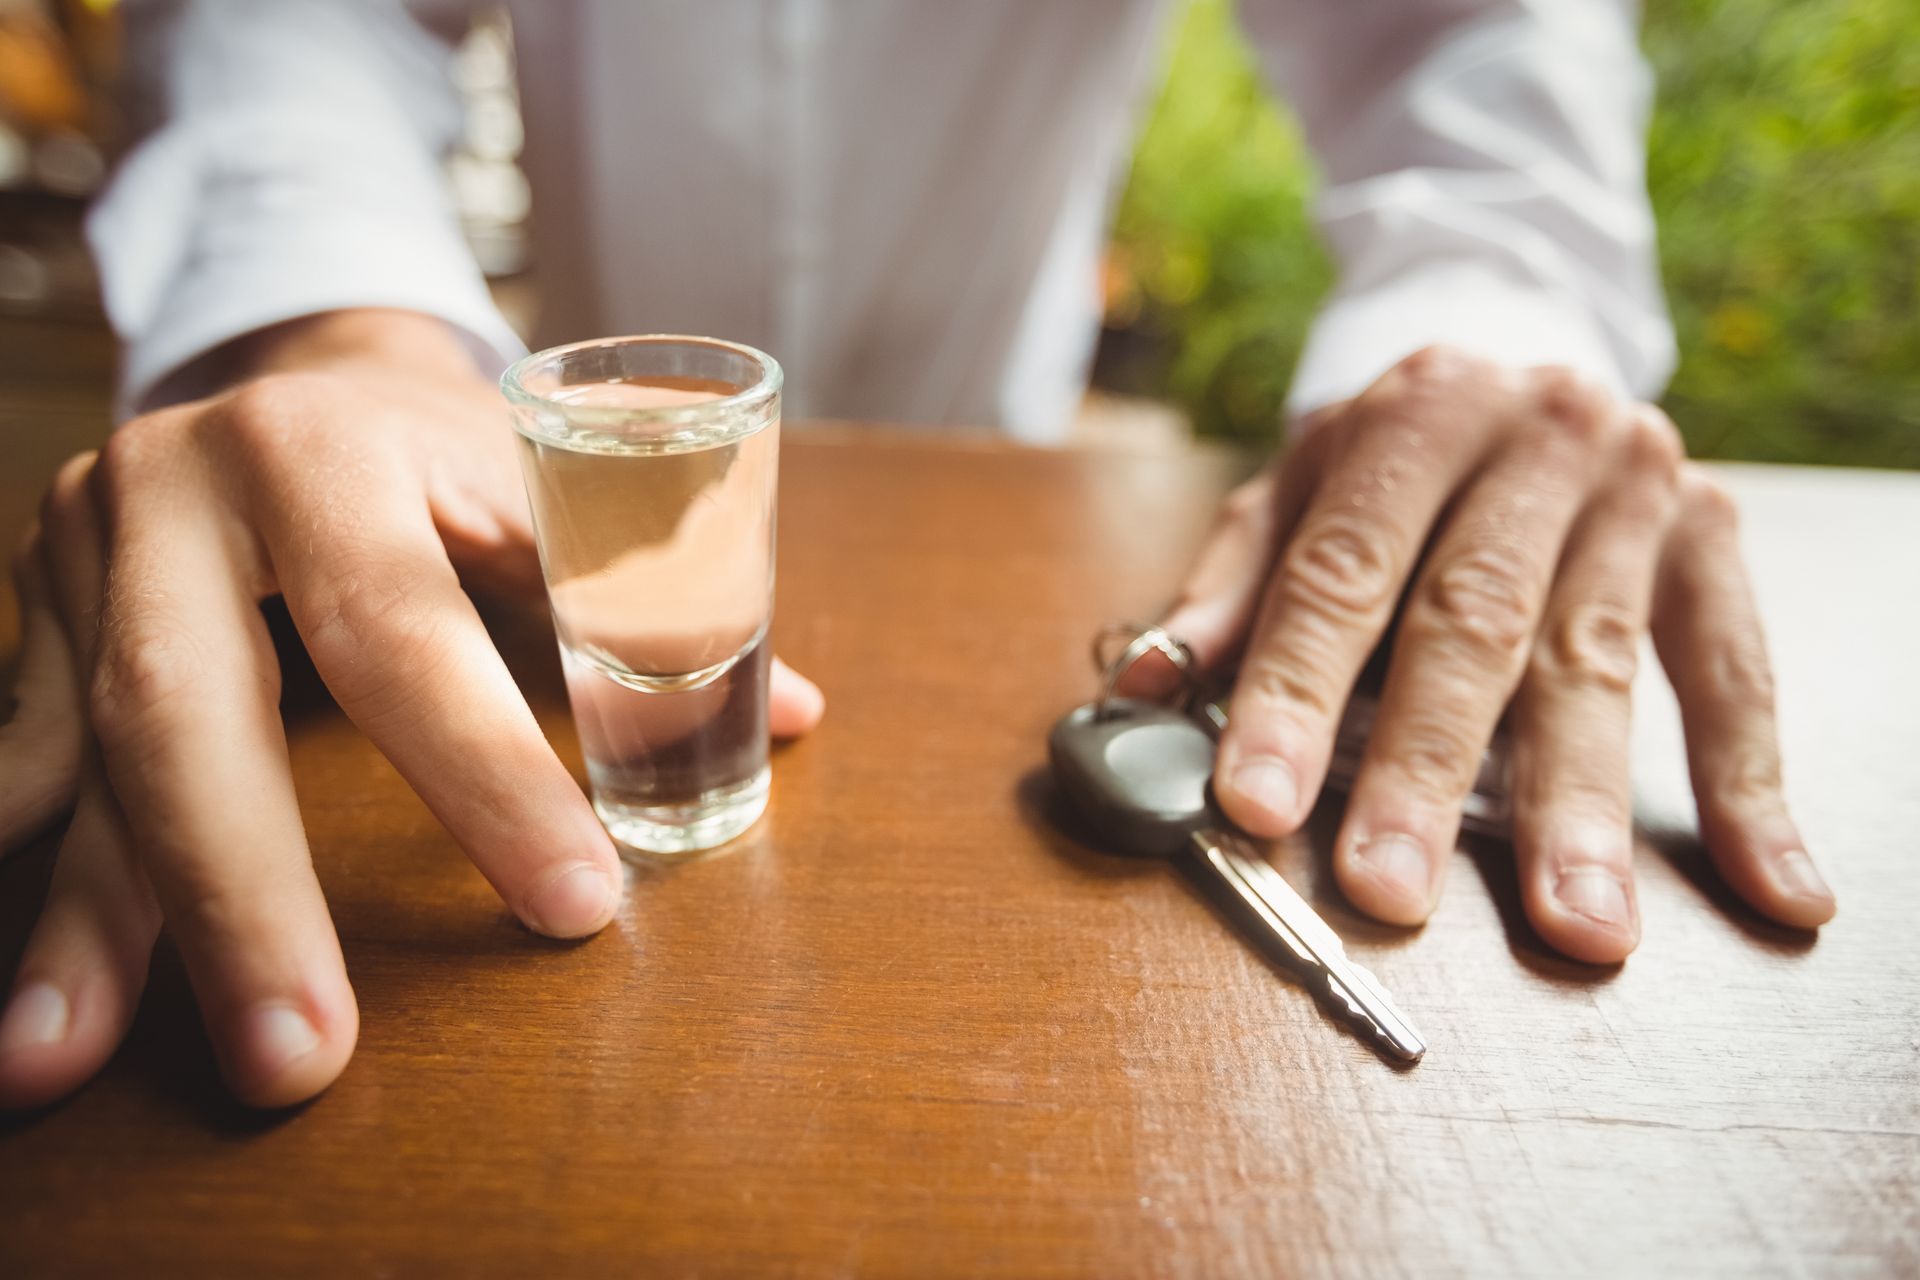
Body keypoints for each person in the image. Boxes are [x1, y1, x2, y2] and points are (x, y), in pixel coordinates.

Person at [0, 0, 1835, 1111]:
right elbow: (290, 28)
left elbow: (1467, 50)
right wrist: (330, 337)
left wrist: (1494, 323)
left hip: (1004, 502)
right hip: (523, 531)